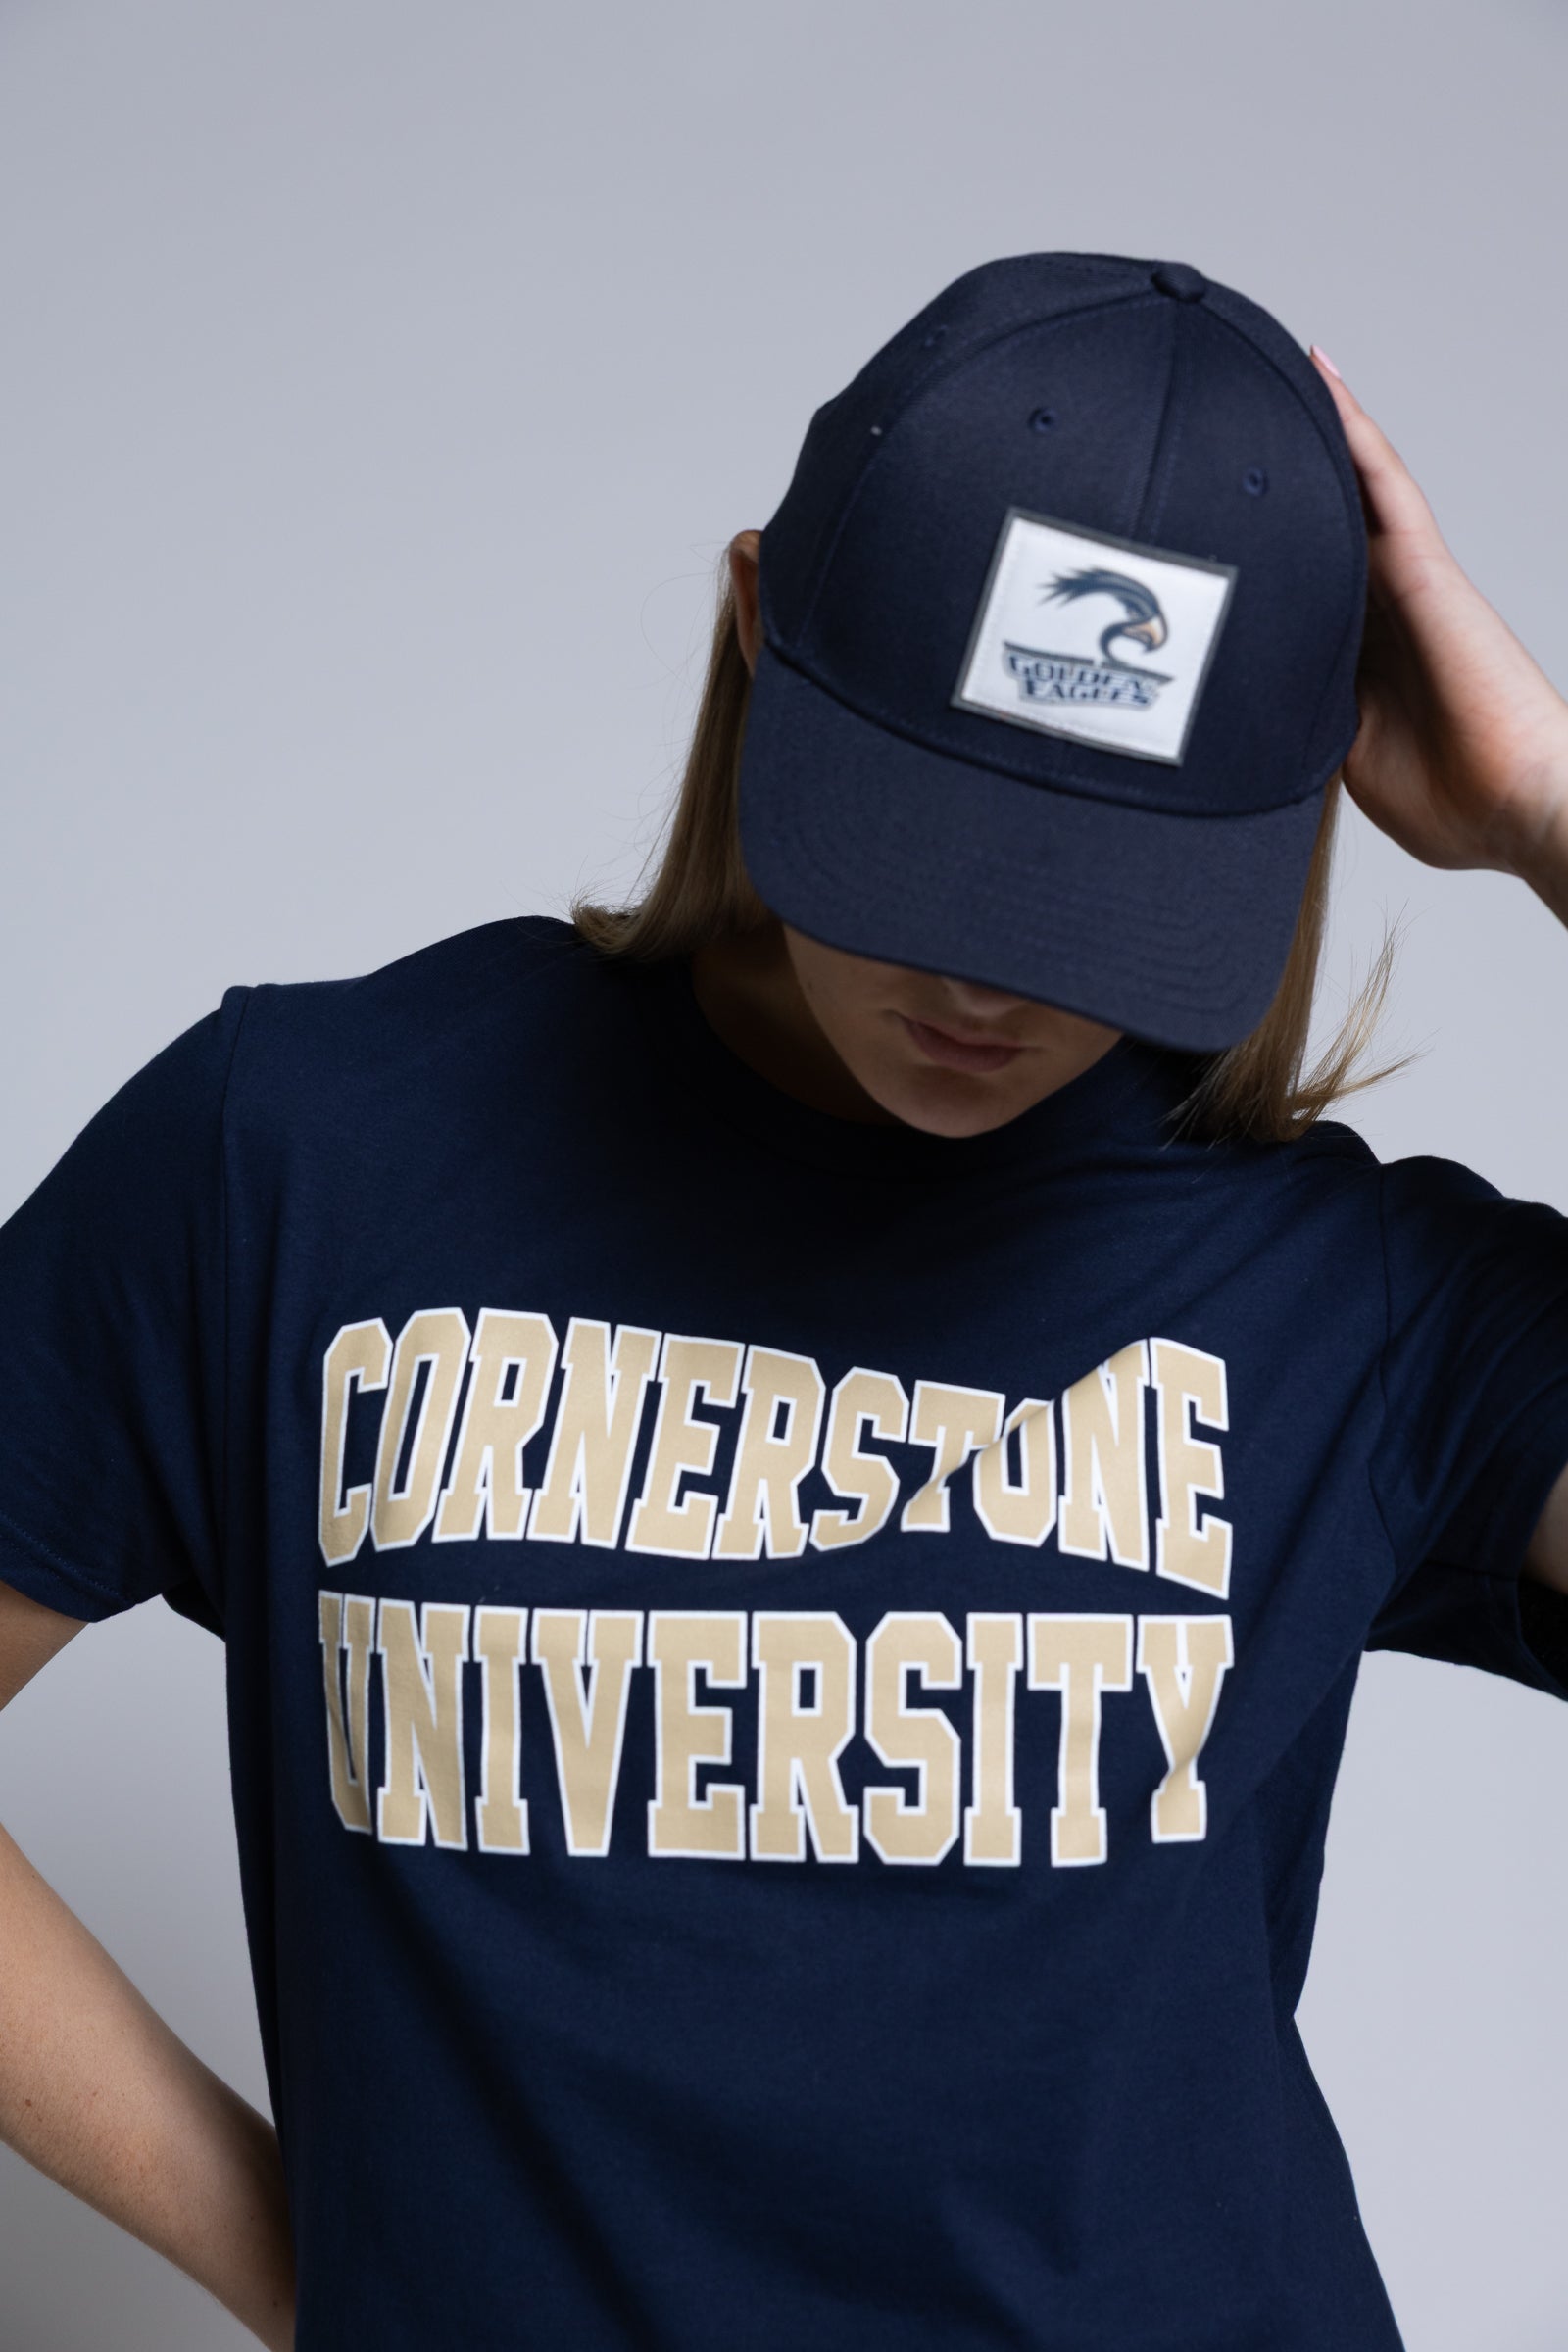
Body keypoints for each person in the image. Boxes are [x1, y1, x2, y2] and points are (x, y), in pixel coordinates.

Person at [2, 250, 1566, 2352]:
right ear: (759, 627)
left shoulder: (1361, 1302)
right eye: (928, 850)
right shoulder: (296, 1153)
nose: (990, 983)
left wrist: (1550, 812)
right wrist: (306, 2255)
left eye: (1101, 891)